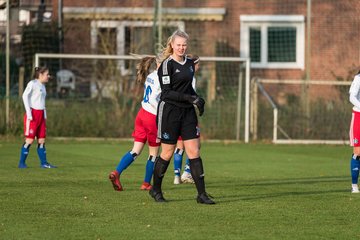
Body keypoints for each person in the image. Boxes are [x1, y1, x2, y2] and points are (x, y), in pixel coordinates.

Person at [149, 29, 215, 204]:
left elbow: (188, 89)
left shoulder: (190, 64)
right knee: (168, 152)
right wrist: (190, 98)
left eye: (184, 45)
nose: (181, 48)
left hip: (187, 113)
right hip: (169, 111)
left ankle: (201, 194)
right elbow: (167, 93)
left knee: (194, 151)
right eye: (178, 45)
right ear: (172, 45)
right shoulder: (166, 65)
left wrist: (198, 99)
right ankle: (155, 190)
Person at [109, 55, 162, 191]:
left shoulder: (151, 75)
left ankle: (117, 172)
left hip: (141, 114)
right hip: (152, 117)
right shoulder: (163, 78)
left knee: (135, 150)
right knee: (153, 154)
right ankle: (146, 183)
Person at [18, 66, 57, 169]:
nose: (48, 76)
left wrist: (44, 114)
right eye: (46, 74)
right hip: (33, 115)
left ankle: (44, 163)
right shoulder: (33, 83)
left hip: (41, 115)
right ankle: (22, 163)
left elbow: (42, 101)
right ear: (40, 75)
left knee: (41, 140)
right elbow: (24, 96)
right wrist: (29, 113)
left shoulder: (43, 86)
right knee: (29, 140)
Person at [173, 54, 200, 185]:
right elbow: (191, 97)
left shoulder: (180, 75)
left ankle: (176, 175)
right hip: (187, 114)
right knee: (195, 145)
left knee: (179, 146)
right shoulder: (191, 78)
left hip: (174, 113)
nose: (199, 67)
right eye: (198, 64)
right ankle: (187, 173)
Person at [349, 70, 360, 193]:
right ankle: (354, 186)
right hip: (358, 116)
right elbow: (352, 97)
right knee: (358, 151)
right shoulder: (358, 78)